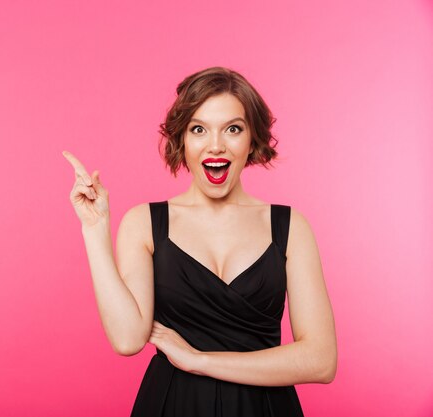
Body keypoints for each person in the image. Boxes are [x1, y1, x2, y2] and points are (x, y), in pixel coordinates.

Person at [62, 66, 337, 417]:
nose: (216, 145)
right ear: (182, 140)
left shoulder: (290, 227)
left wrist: (199, 361)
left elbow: (321, 360)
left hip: (265, 409)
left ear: (252, 139)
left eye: (233, 129)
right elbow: (128, 339)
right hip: (172, 405)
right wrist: (95, 229)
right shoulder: (144, 223)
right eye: (199, 129)